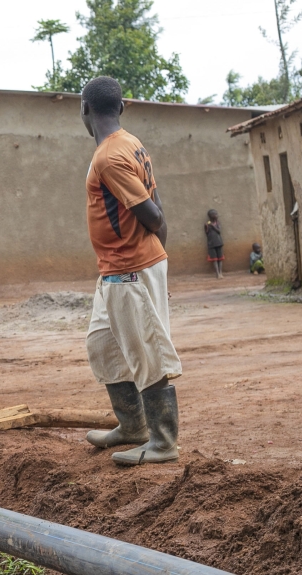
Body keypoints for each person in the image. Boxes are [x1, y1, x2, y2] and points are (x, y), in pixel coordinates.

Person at [78, 76, 182, 466]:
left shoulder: (109, 156)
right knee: (102, 345)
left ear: (84, 109)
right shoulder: (129, 143)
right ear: (120, 107)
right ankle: (133, 427)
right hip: (117, 271)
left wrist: (151, 269)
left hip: (130, 269)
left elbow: (153, 214)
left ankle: (163, 442)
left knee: (145, 353)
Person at [205, 209, 224, 279]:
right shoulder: (207, 225)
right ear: (210, 216)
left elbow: (219, 231)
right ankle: (217, 273)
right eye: (215, 214)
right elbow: (207, 234)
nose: (216, 215)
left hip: (219, 243)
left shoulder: (217, 223)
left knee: (220, 258)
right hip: (211, 244)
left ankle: (220, 272)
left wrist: (212, 226)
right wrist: (209, 226)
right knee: (214, 259)